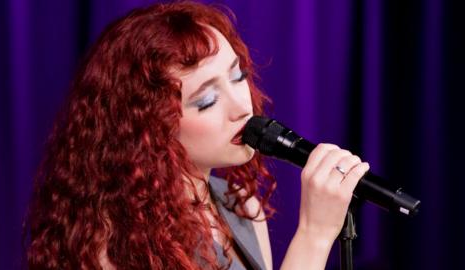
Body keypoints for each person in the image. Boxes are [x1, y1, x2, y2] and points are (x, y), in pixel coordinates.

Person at [24, 1, 370, 269]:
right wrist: (314, 234)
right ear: (151, 125)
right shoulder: (114, 239)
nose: (242, 107)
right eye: (206, 100)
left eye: (238, 76)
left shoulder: (241, 206)